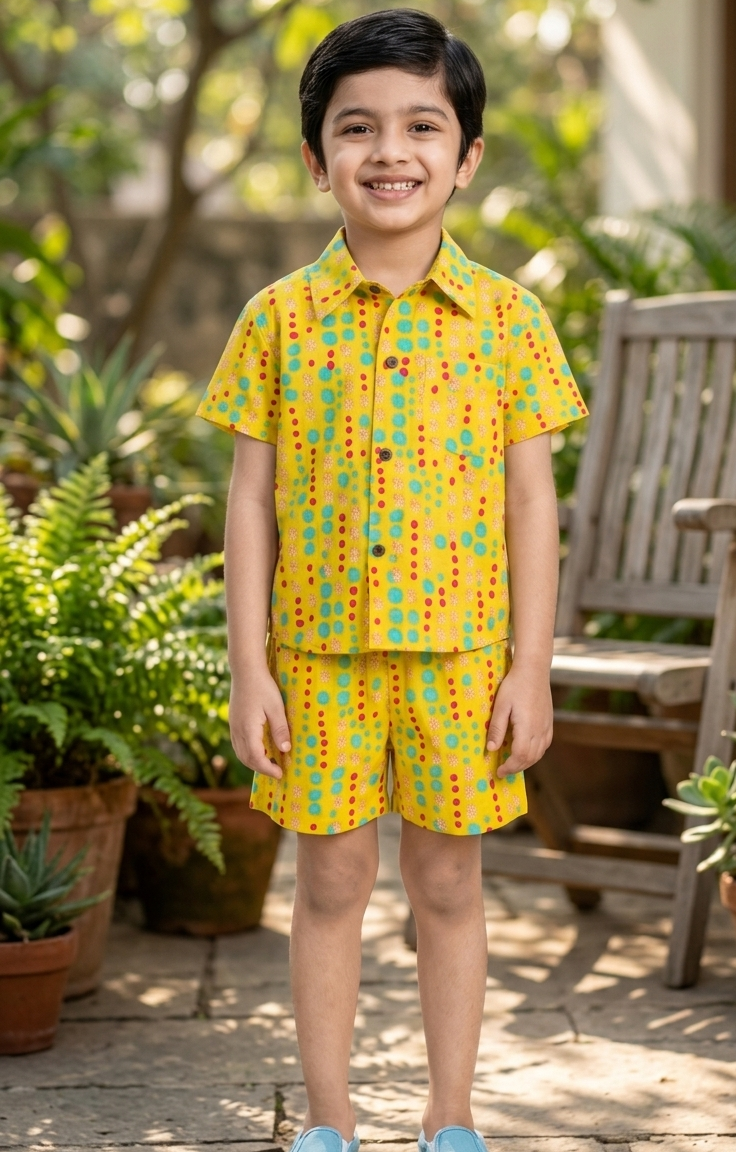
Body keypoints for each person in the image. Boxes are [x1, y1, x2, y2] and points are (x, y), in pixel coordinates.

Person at [197, 10, 586, 1152]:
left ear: (466, 156)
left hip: (464, 660)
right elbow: (250, 502)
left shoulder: (510, 321)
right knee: (328, 884)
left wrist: (531, 670)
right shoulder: (275, 321)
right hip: (317, 661)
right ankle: (327, 1122)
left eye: (424, 125)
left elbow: (531, 507)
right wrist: (248, 670)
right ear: (317, 158)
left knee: (451, 884)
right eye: (356, 127)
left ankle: (451, 1120)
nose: (390, 151)